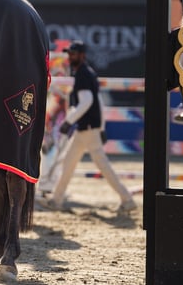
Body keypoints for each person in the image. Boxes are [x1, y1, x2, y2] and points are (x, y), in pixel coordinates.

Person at [39, 41, 136, 213]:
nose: (70, 57)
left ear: (82, 55)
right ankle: (56, 199)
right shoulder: (87, 73)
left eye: (74, 54)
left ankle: (127, 199)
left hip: (88, 128)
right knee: (69, 162)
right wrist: (102, 127)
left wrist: (69, 121)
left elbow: (87, 101)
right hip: (88, 128)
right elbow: (97, 101)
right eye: (69, 54)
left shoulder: (82, 75)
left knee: (101, 166)